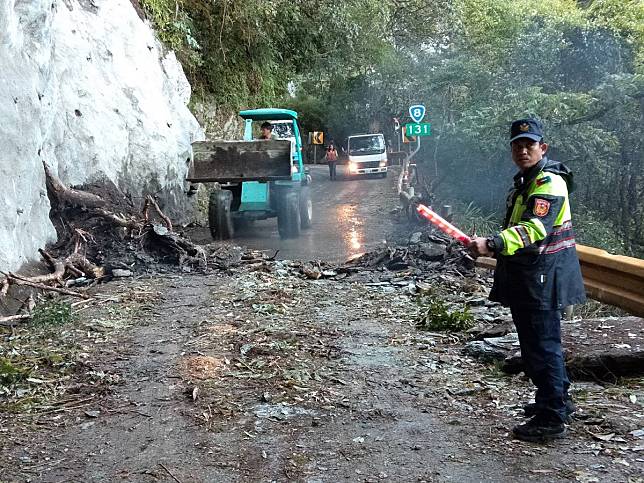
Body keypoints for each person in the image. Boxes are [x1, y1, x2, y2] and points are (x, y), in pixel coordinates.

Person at [468, 118, 586, 442]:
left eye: (529, 144)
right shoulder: (525, 181)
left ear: (542, 148)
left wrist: (492, 244)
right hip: (531, 276)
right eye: (517, 145)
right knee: (537, 343)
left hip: (544, 277)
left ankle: (552, 418)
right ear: (511, 150)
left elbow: (535, 229)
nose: (522, 150)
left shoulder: (548, 183)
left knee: (542, 344)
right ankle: (557, 399)